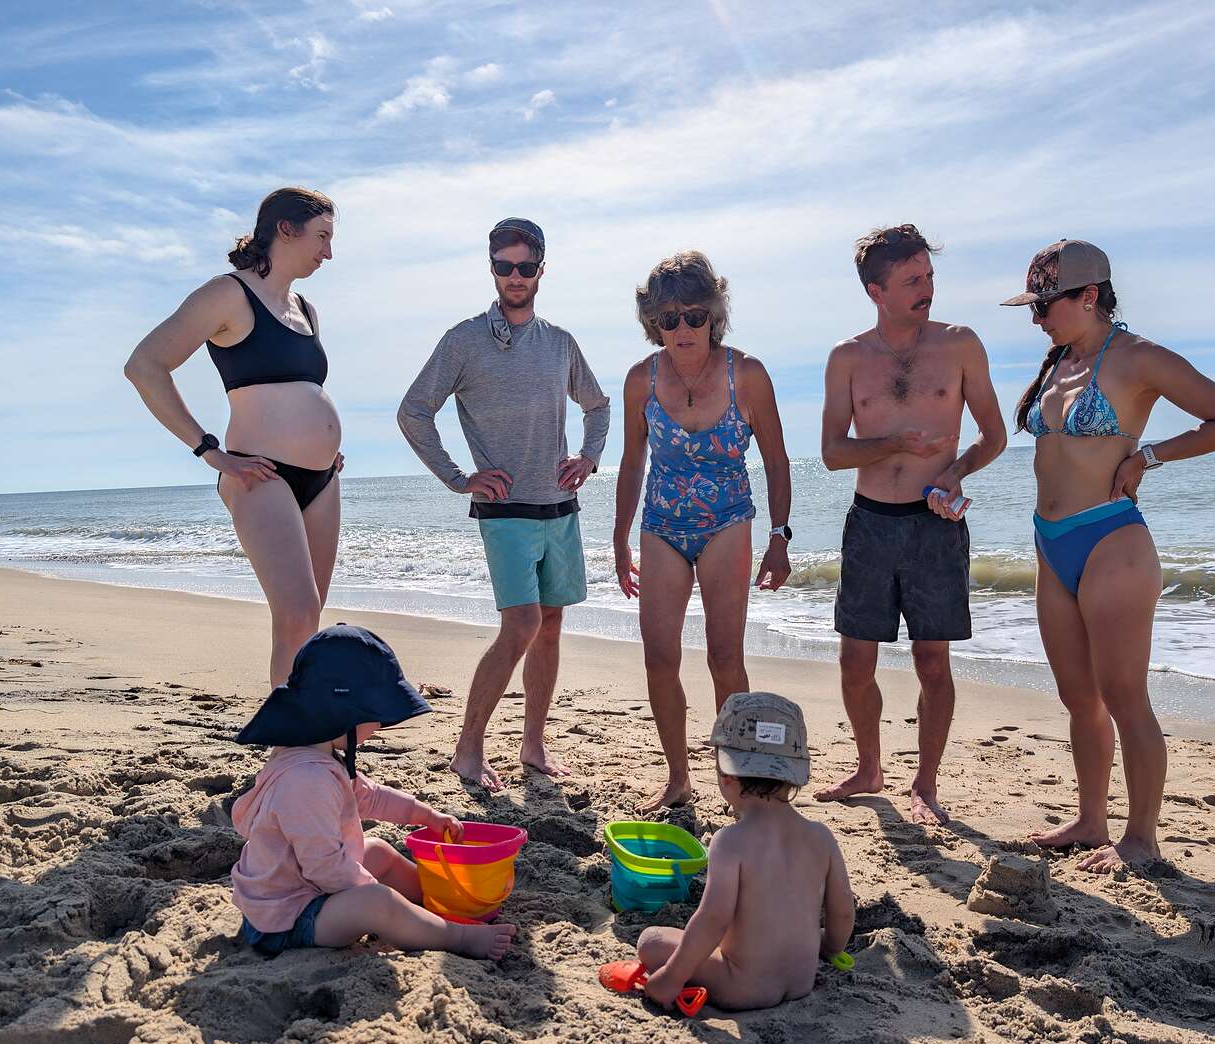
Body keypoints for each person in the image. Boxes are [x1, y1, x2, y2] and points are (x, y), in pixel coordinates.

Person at [1002, 239, 1215, 872]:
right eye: (1032, 309)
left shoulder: (1140, 358)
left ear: (1088, 296)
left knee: (1124, 695)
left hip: (1112, 540)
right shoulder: (1058, 362)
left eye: (1045, 305)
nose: (1037, 319)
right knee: (1078, 698)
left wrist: (1150, 456)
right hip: (1051, 543)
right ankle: (1092, 821)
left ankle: (1140, 838)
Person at [398, 218, 610, 790]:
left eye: (524, 266)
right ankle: (469, 748)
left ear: (542, 270)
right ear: (491, 268)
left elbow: (598, 406)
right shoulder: (464, 340)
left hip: (560, 507)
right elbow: (413, 411)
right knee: (520, 625)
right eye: (503, 266)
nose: (514, 277)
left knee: (550, 626)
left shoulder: (560, 342)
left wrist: (589, 457)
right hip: (505, 510)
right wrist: (456, 477)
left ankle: (533, 745)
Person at [817, 225, 1008, 825]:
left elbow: (994, 436)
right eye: (912, 281)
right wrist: (893, 441)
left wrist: (957, 472)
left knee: (932, 662)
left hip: (934, 523)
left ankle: (925, 784)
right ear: (876, 290)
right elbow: (831, 452)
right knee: (856, 662)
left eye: (928, 276)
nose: (927, 289)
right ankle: (869, 766)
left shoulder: (960, 345)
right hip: (870, 521)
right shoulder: (848, 357)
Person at [125, 187, 343, 688]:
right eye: (322, 237)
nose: (328, 252)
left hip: (322, 478)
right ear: (285, 230)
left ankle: (310, 753)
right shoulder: (228, 294)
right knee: (296, 611)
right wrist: (209, 451)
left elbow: (302, 392)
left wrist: (326, 447)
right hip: (258, 473)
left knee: (310, 622)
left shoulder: (306, 309)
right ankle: (291, 753)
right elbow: (144, 366)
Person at [613, 252, 793, 812]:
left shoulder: (749, 375)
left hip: (727, 523)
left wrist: (780, 537)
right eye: (668, 319)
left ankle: (735, 778)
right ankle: (677, 778)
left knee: (724, 656)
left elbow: (778, 459)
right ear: (653, 324)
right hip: (662, 526)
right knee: (659, 658)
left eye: (694, 315)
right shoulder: (640, 380)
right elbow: (631, 462)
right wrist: (619, 539)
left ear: (714, 314)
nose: (683, 329)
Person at [229, 624, 515, 959]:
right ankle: (456, 937)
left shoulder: (318, 756)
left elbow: (371, 797)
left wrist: (426, 815)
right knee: (377, 902)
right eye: (374, 716)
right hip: (286, 919)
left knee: (377, 850)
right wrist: (373, 891)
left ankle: (437, 905)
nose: (379, 727)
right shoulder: (307, 781)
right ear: (343, 714)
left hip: (307, 889)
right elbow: (323, 868)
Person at [637, 692, 854, 1011]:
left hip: (742, 985)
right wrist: (830, 947)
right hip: (801, 981)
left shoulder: (730, 841)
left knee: (651, 942)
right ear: (794, 775)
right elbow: (843, 912)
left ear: (726, 776)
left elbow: (713, 919)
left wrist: (672, 976)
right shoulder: (821, 837)